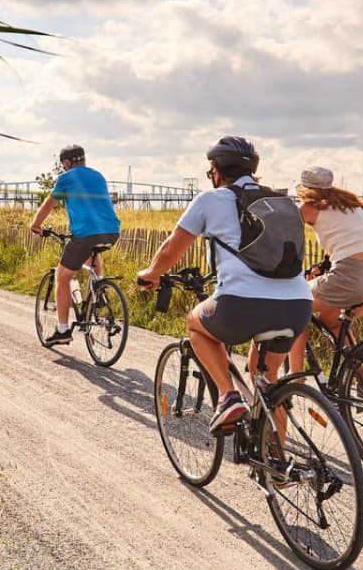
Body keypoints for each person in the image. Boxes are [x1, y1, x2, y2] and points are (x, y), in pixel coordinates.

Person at [137, 137, 312, 433]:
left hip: (241, 305)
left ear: (216, 170)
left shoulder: (210, 200)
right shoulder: (285, 204)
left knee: (195, 324)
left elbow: (172, 248)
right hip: (297, 307)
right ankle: (279, 468)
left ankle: (227, 396)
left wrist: (152, 274)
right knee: (268, 384)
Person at [287, 165, 363, 375]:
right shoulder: (351, 205)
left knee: (293, 306)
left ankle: (294, 376)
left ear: (303, 188)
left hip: (351, 275)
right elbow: (350, 240)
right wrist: (323, 267)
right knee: (332, 322)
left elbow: (286, 239)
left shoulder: (308, 208)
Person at [29, 144, 121, 344]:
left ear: (67, 163)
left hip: (85, 234)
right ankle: (99, 291)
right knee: (93, 256)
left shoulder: (66, 178)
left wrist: (36, 225)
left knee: (62, 277)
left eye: (63, 165)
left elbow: (48, 204)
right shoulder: (98, 176)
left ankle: (62, 330)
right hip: (112, 231)